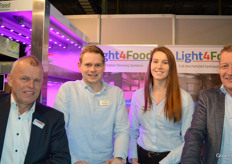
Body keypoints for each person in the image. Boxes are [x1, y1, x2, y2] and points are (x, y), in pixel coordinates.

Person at [54, 45, 130, 164]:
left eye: (97, 65)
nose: (92, 69)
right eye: (88, 65)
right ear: (80, 66)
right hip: (74, 161)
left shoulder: (116, 93)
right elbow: (59, 130)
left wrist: (119, 157)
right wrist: (74, 160)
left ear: (104, 67)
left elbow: (122, 130)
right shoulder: (67, 90)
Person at [128, 47, 195, 164]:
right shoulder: (138, 96)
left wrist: (164, 162)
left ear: (171, 68)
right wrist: (133, 158)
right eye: (155, 61)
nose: (159, 66)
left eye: (165, 62)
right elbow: (132, 131)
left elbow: (188, 140)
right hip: (141, 157)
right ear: (150, 65)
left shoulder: (184, 98)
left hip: (171, 158)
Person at [0, 56, 71, 163]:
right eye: (25, 79)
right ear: (10, 80)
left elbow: (62, 160)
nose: (31, 85)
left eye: (36, 80)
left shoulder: (53, 119)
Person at [181, 43, 232, 164]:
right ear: (219, 69)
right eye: (225, 66)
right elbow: (195, 133)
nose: (229, 72)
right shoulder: (207, 98)